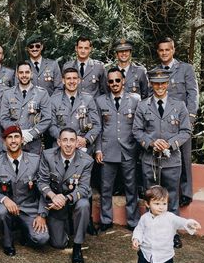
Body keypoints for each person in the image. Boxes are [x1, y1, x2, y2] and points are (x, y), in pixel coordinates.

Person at [133, 68, 192, 248]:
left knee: (171, 198)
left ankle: (172, 234)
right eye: (156, 83)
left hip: (171, 160)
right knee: (151, 196)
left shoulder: (179, 105)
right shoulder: (143, 105)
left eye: (163, 83)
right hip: (150, 160)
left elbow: (186, 131)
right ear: (151, 84)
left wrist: (170, 144)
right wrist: (151, 143)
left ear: (168, 84)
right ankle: (148, 232)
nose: (159, 86)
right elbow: (137, 130)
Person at [131, 185, 201, 263]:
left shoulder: (170, 217)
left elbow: (182, 222)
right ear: (147, 204)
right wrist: (136, 239)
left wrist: (190, 223)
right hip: (146, 252)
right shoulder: (144, 218)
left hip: (164, 255)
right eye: (157, 203)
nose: (161, 207)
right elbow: (139, 230)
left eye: (164, 203)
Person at [0, 125, 49, 256]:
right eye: (9, 137)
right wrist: (4, 199)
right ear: (4, 142)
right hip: (7, 207)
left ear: (22, 140)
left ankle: (25, 232)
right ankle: (7, 242)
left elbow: (44, 189)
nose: (13, 140)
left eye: (16, 137)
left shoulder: (35, 160)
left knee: (41, 239)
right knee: (0, 212)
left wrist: (42, 214)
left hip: (29, 208)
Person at [38, 128, 94, 263]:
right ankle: (68, 226)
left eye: (72, 140)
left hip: (73, 200)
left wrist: (66, 198)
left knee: (84, 204)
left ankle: (77, 246)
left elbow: (84, 188)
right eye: (65, 140)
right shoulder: (47, 155)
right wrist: (53, 196)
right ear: (58, 142)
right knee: (58, 244)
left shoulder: (87, 161)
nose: (68, 144)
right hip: (55, 203)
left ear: (77, 143)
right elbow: (42, 181)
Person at [154, 37, 199, 208]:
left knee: (184, 157)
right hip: (162, 122)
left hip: (181, 122)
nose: (164, 53)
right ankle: (163, 191)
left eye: (167, 49)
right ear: (158, 52)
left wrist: (191, 118)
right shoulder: (155, 71)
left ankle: (186, 192)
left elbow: (192, 94)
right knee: (163, 156)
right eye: (161, 50)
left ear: (173, 50)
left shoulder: (185, 69)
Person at [94, 67, 141, 231]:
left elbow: (139, 126)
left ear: (123, 81)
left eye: (117, 80)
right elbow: (97, 128)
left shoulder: (135, 100)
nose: (114, 84)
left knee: (131, 187)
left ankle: (133, 221)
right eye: (111, 81)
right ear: (107, 83)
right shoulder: (100, 101)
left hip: (129, 150)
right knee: (106, 188)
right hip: (107, 150)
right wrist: (98, 149)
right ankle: (106, 220)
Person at [0, 61, 51, 154]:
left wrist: (32, 134)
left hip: (34, 144)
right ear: (17, 74)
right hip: (13, 143)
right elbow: (4, 119)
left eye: (27, 72)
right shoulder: (8, 94)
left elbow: (47, 118)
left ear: (31, 73)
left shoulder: (42, 93)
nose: (24, 75)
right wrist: (18, 133)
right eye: (21, 72)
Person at [48, 67, 100, 155]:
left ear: (79, 80)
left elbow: (97, 125)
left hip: (83, 148)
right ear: (63, 81)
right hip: (60, 148)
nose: (72, 81)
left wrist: (86, 140)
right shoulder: (54, 100)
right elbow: (51, 125)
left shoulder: (88, 99)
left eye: (74, 78)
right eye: (68, 78)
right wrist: (64, 139)